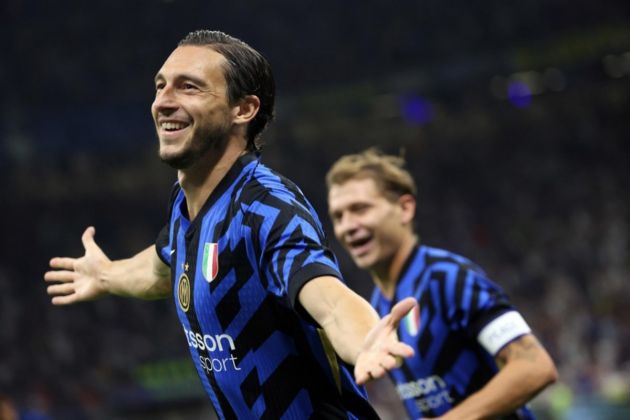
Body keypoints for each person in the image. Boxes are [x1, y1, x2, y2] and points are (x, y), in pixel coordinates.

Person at [44, 30, 416, 419]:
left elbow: (328, 300)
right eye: (160, 86)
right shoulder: (186, 203)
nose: (164, 101)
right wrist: (106, 275)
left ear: (243, 109)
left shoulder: (265, 208)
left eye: (189, 88)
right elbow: (160, 268)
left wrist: (365, 340)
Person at [326, 149, 558, 419]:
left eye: (360, 209)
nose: (347, 226)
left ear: (405, 208)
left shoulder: (447, 278)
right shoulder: (379, 304)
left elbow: (535, 366)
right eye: (338, 217)